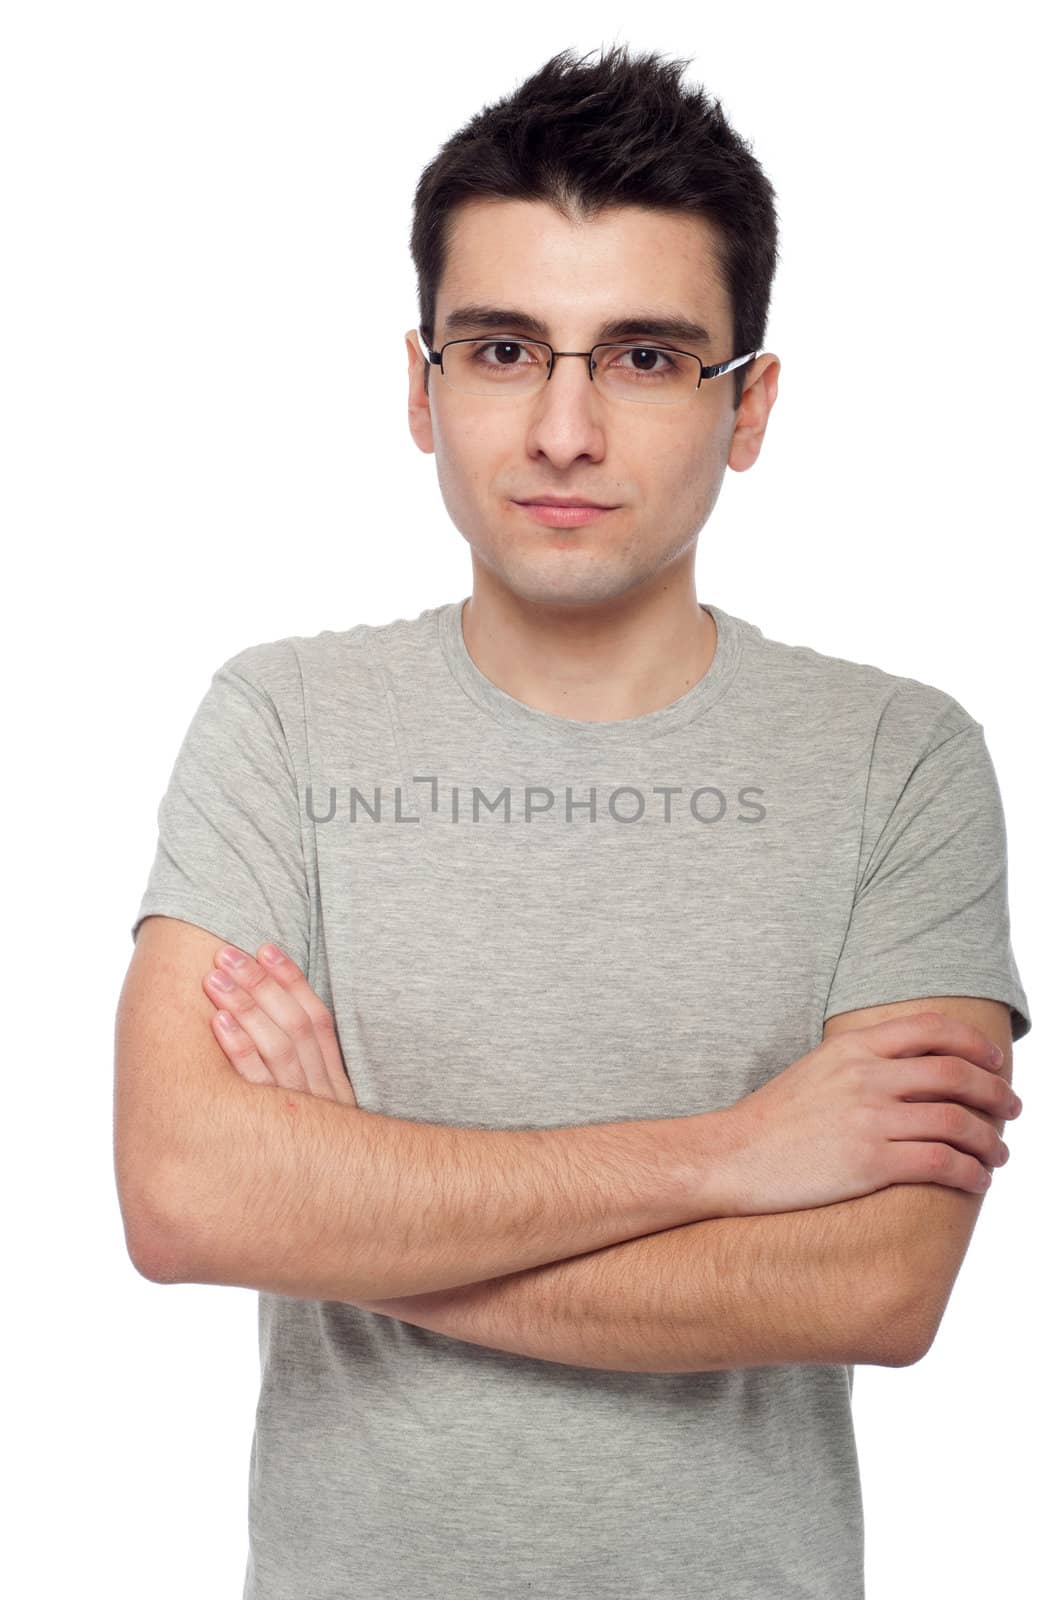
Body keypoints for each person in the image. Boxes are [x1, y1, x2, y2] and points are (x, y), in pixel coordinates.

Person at [114, 43, 1031, 1600]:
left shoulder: (902, 759)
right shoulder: (280, 723)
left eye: (647, 358)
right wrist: (734, 1155)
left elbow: (879, 1287)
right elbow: (190, 1194)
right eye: (501, 350)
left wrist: (351, 1204)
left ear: (749, 410)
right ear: (420, 386)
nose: (560, 432)